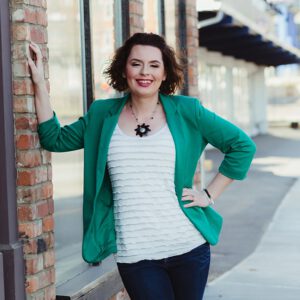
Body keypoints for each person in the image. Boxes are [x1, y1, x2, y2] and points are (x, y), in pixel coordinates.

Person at [28, 32, 256, 300]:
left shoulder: (187, 110)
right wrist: (39, 83)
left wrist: (208, 195)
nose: (144, 72)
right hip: (135, 252)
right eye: (136, 63)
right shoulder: (102, 115)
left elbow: (242, 146)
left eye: (154, 65)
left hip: (188, 246)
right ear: (124, 69)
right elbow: (55, 139)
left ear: (164, 73)